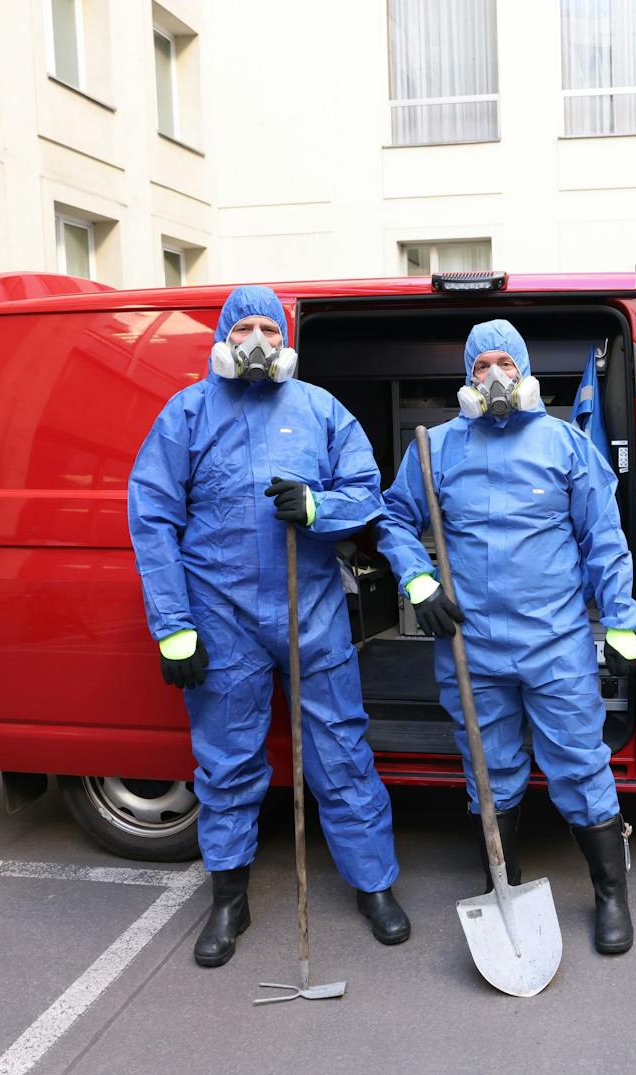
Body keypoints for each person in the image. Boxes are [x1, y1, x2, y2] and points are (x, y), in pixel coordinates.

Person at [128, 286, 409, 968]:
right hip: (220, 617)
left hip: (308, 609)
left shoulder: (319, 410)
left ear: (286, 341)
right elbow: (152, 516)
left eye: (269, 328)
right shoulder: (187, 414)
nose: (258, 339)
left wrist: (316, 505)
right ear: (225, 336)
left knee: (340, 750)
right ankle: (229, 897)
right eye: (245, 327)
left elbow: (367, 496)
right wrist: (173, 625)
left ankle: (375, 884)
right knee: (227, 762)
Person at [377, 319, 636, 955]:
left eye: (505, 363)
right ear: (467, 377)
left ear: (524, 373)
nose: (494, 376)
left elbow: (603, 539)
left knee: (580, 763)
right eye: (481, 366)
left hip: (555, 643)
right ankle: (507, 886)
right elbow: (392, 518)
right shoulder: (435, 447)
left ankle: (610, 893)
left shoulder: (565, 445)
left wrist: (623, 622)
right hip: (472, 648)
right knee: (489, 771)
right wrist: (418, 584)